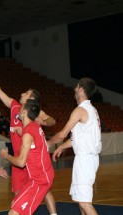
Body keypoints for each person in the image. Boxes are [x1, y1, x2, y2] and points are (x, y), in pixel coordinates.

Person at [0, 68, 57, 215]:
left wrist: (43, 121)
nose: (21, 94)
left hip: (30, 160)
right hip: (18, 160)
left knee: (43, 190)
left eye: (25, 93)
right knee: (18, 198)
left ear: (31, 100)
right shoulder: (14, 106)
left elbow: (52, 120)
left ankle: (53, 214)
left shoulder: (35, 113)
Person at [48, 78, 101, 215]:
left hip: (85, 160)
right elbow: (75, 139)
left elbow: (61, 134)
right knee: (81, 200)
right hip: (86, 159)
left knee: (84, 203)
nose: (74, 89)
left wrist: (47, 143)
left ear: (81, 90)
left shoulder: (80, 110)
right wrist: (62, 147)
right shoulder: (91, 110)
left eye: (76, 87)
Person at [1, 99, 54, 215]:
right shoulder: (34, 126)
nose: (18, 110)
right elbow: (35, 145)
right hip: (41, 177)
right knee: (15, 205)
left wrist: (6, 155)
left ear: (24, 112)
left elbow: (21, 163)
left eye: (21, 108)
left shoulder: (28, 132)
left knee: (13, 213)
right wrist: (22, 135)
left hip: (39, 181)